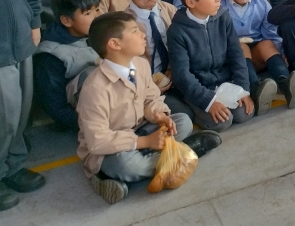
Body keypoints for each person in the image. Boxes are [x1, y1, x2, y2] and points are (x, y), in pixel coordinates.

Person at [77, 12, 220, 205]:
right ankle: (186, 153)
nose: (143, 34)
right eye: (135, 31)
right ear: (115, 44)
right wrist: (145, 142)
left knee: (183, 122)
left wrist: (158, 114)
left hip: (142, 127)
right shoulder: (95, 88)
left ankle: (162, 162)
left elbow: (151, 97)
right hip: (112, 147)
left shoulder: (140, 64)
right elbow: (98, 141)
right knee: (126, 165)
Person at [0, 0, 45, 212]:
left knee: (20, 111)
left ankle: (12, 166)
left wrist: (33, 19)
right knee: (0, 117)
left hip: (21, 39)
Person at [168, 0, 256, 132]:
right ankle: (192, 108)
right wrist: (208, 102)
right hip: (200, 88)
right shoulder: (177, 31)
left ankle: (254, 89)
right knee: (222, 122)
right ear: (191, 2)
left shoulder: (223, 17)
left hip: (224, 82)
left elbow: (236, 54)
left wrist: (242, 89)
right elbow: (182, 75)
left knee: (244, 113)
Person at [223, 0, 295, 109]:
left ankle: (287, 84)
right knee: (241, 47)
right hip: (232, 59)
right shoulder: (220, 8)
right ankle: (256, 89)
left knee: (267, 43)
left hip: (256, 56)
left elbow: (271, 32)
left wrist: (280, 53)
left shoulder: (261, 4)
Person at [33, 0, 101, 131]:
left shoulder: (96, 35)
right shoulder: (50, 56)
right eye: (88, 13)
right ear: (67, 21)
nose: (97, 17)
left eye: (97, 10)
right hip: (86, 118)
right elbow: (55, 106)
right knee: (93, 73)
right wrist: (92, 126)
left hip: (110, 105)